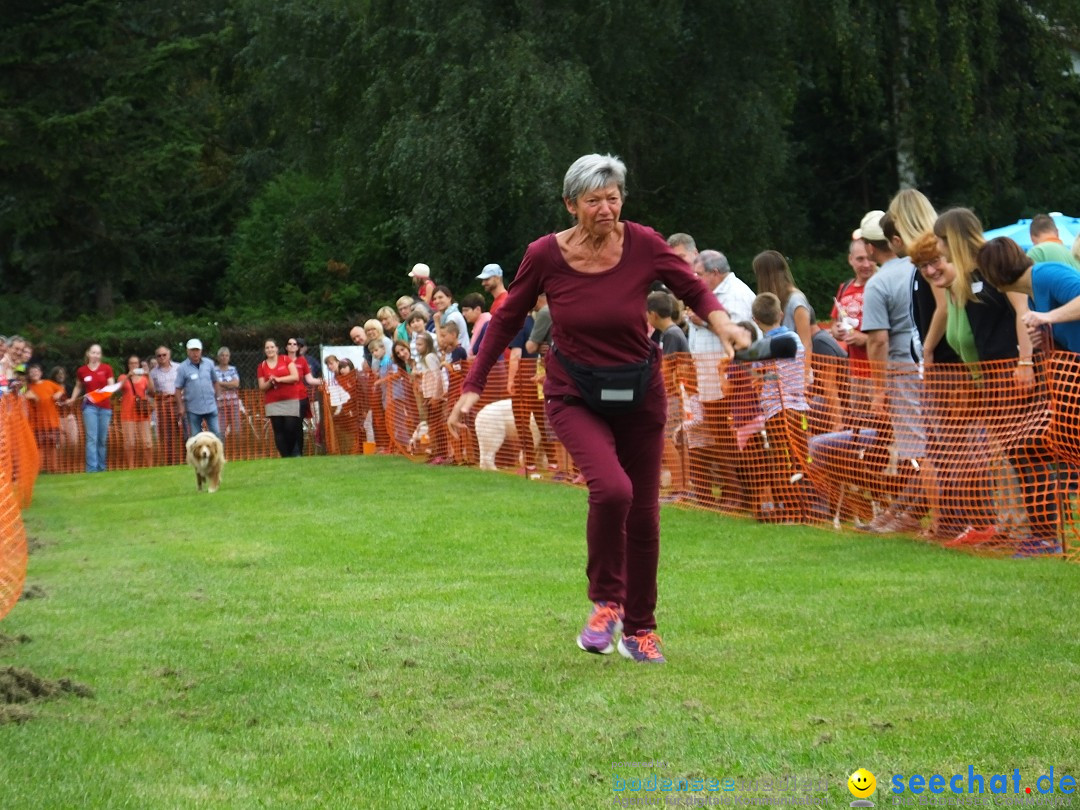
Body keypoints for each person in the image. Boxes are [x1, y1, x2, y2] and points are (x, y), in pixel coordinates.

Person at [448, 154, 746, 664]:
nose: (606, 209)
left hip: (640, 391)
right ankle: (607, 602)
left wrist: (723, 325)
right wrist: (474, 384)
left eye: (613, 198)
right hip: (574, 392)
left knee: (646, 515)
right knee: (612, 490)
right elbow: (506, 319)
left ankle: (641, 629)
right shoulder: (544, 255)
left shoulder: (645, 243)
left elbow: (692, 286)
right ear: (571, 205)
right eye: (593, 201)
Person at [979, 236, 1080, 354]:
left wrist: (1048, 316)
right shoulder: (1031, 296)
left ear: (993, 272)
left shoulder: (1046, 274)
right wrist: (1048, 342)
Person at [752, 250, 814, 382]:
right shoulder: (777, 300)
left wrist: (804, 378)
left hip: (796, 376)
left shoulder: (796, 300)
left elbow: (806, 342)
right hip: (780, 375)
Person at [67, 343, 116, 473]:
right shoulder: (82, 370)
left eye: (98, 353)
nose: (95, 355)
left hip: (105, 407)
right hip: (90, 407)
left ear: (101, 355)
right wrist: (73, 398)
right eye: (93, 352)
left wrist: (102, 392)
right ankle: (91, 469)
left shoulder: (106, 368)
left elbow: (112, 387)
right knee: (91, 438)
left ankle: (102, 467)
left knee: (102, 438)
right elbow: (78, 386)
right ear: (88, 354)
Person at [257, 339, 302, 457]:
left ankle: (292, 452)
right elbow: (262, 386)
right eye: (267, 348)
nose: (270, 350)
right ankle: (285, 456)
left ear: (277, 348)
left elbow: (295, 377)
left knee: (290, 428)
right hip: (273, 402)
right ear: (264, 350)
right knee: (278, 430)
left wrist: (279, 379)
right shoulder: (261, 366)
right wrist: (270, 382)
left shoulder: (285, 359)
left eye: (272, 347)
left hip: (290, 399)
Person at [285, 337, 324, 456]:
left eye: (295, 344)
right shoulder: (281, 360)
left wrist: (325, 381)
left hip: (300, 397)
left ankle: (298, 453)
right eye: (289, 344)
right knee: (288, 426)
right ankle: (289, 452)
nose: (292, 346)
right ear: (286, 347)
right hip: (286, 398)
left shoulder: (303, 361)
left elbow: (310, 379)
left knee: (297, 426)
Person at [174, 339, 220, 440]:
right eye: (192, 350)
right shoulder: (182, 367)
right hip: (193, 408)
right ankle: (198, 456)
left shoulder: (209, 363)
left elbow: (215, 381)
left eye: (197, 350)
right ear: (188, 351)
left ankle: (218, 455)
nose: (195, 353)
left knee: (216, 433)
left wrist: (217, 397)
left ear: (201, 351)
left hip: (211, 406)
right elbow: (177, 389)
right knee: (196, 437)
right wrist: (181, 407)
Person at [24, 364, 65, 473]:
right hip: (37, 424)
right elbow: (24, 399)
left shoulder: (49, 383)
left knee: (53, 446)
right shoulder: (28, 387)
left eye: (36, 371)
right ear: (29, 375)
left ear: (41, 373)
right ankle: (39, 468)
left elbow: (61, 389)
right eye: (32, 372)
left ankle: (53, 468)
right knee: (39, 447)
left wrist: (58, 394)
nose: (34, 374)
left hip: (52, 422)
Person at [118, 354, 155, 468]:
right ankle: (131, 467)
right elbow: (119, 388)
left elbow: (152, 391)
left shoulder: (144, 378)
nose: (133, 365)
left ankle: (150, 466)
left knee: (147, 442)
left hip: (142, 413)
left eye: (135, 363)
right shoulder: (122, 377)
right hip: (127, 413)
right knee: (130, 443)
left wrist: (148, 375)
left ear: (139, 365)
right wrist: (128, 376)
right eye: (131, 363)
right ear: (128, 365)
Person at [149, 345, 183, 464]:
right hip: (164, 407)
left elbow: (186, 384)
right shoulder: (153, 373)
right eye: (159, 355)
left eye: (164, 355)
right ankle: (171, 462)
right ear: (156, 358)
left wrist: (179, 395)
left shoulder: (179, 367)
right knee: (167, 436)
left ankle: (186, 460)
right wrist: (159, 393)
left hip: (179, 404)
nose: (162, 357)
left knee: (183, 432)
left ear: (169, 355)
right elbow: (152, 392)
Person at [430, 286, 471, 355]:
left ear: (449, 298)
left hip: (459, 359)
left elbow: (442, 344)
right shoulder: (446, 316)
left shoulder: (453, 317)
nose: (437, 301)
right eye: (434, 299)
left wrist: (436, 323)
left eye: (440, 297)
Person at [214, 347, 241, 439]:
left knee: (236, 430)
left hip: (233, 404)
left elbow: (236, 384)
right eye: (222, 355)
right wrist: (229, 385)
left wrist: (220, 384)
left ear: (229, 357)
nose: (224, 357)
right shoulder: (213, 370)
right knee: (220, 431)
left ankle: (237, 451)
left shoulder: (233, 369)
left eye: (226, 355)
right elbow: (213, 385)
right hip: (219, 405)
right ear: (218, 358)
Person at [460, 293, 491, 357]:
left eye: (466, 310)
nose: (463, 314)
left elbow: (490, 351)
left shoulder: (487, 325)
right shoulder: (481, 324)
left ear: (478, 309)